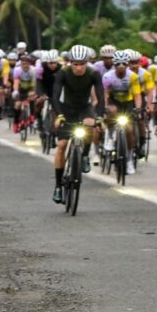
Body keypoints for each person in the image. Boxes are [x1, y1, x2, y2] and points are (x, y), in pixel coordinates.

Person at [49, 45, 104, 203]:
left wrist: (99, 117)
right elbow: (55, 96)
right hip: (66, 108)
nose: (79, 68)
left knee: (89, 124)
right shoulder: (63, 73)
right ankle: (58, 186)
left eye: (82, 64)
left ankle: (85, 155)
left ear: (87, 63)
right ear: (70, 63)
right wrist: (59, 115)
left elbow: (100, 98)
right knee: (62, 146)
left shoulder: (94, 74)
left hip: (84, 108)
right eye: (75, 64)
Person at [101, 50, 143, 177]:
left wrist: (138, 108)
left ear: (127, 65)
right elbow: (105, 94)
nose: (121, 67)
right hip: (114, 101)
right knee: (111, 112)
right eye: (118, 64)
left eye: (123, 64)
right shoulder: (107, 77)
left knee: (129, 130)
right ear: (114, 65)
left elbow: (137, 94)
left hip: (127, 103)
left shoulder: (133, 76)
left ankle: (129, 159)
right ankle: (109, 135)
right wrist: (105, 106)